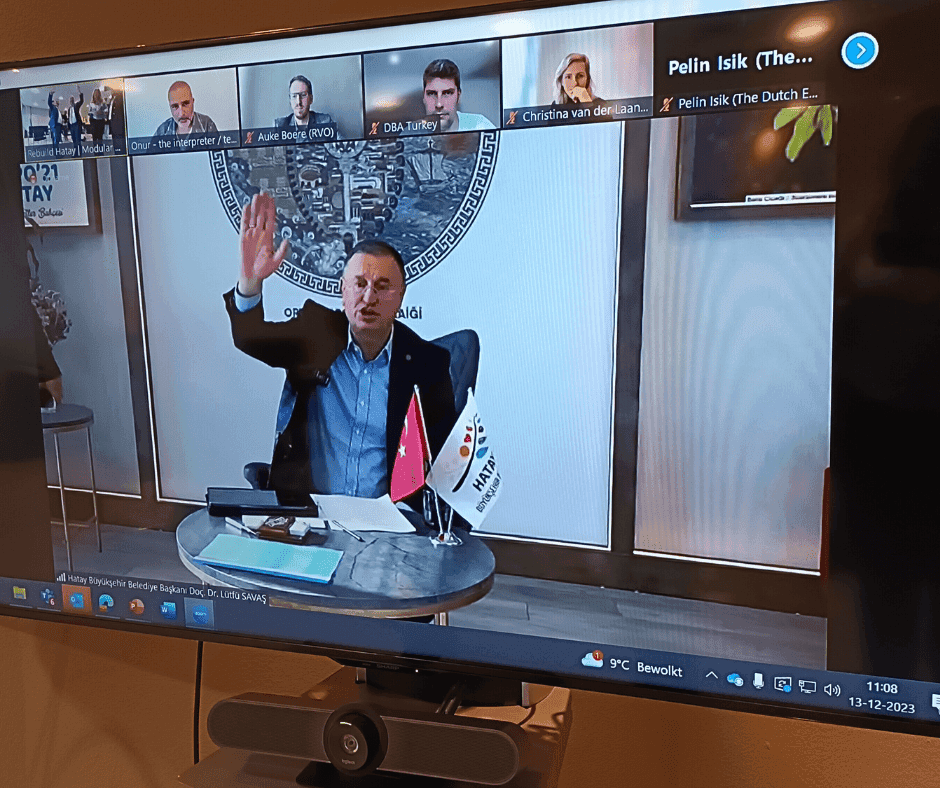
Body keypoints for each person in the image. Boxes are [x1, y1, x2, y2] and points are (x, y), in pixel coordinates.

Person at [224, 192, 456, 505]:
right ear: (342, 291)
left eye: (383, 287)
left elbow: (447, 466)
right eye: (359, 284)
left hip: (388, 520)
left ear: (401, 297)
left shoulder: (428, 365)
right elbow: (250, 337)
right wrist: (250, 282)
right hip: (310, 512)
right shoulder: (314, 334)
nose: (369, 298)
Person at [421, 59, 495, 133]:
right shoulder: (415, 132)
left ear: (458, 96)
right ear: (424, 97)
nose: (439, 104)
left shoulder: (480, 126)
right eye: (431, 94)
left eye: (447, 93)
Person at [152, 81, 217, 138]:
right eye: (175, 106)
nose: (181, 114)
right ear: (170, 108)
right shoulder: (162, 131)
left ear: (193, 102)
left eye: (185, 104)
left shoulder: (206, 125)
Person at [66, 87, 83, 157]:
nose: (71, 101)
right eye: (70, 100)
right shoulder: (69, 109)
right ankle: (76, 154)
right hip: (72, 126)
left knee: (78, 140)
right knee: (74, 141)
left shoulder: (76, 106)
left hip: (76, 125)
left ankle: (80, 154)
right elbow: (69, 118)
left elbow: (81, 101)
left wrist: (79, 92)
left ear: (73, 100)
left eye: (72, 99)